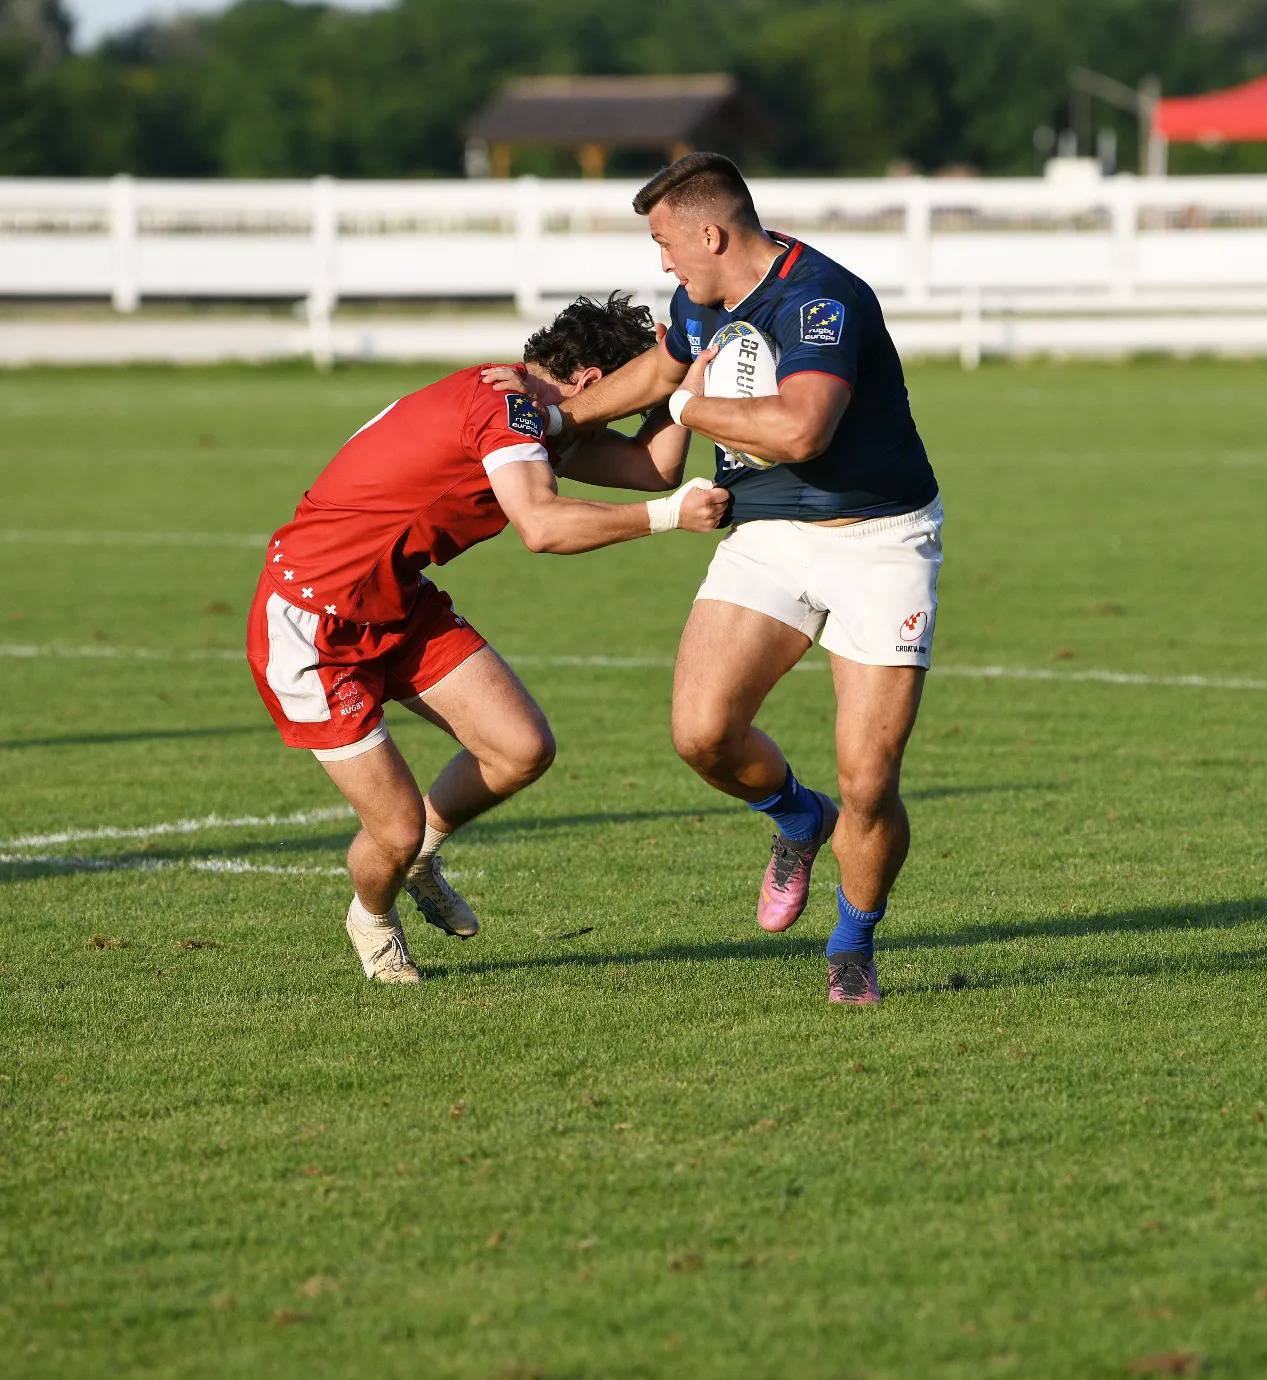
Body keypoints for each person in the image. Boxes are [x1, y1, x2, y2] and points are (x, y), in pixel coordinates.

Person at [486, 154, 941, 1005]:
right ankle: (798, 822)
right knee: (702, 734)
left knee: (869, 780)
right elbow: (659, 372)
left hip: (880, 541)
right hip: (765, 533)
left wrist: (690, 411)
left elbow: (802, 432)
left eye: (665, 242)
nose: (661, 263)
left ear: (710, 231)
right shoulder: (696, 303)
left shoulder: (822, 299)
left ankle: (853, 944)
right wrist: (549, 416)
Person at [246, 293, 727, 984]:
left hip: (395, 604)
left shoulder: (536, 410)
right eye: (621, 396)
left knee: (520, 748)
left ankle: (419, 859)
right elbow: (543, 526)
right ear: (593, 379)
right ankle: (372, 920)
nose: (613, 417)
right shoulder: (501, 405)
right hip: (310, 624)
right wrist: (667, 519)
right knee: (395, 826)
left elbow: (651, 469)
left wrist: (677, 388)